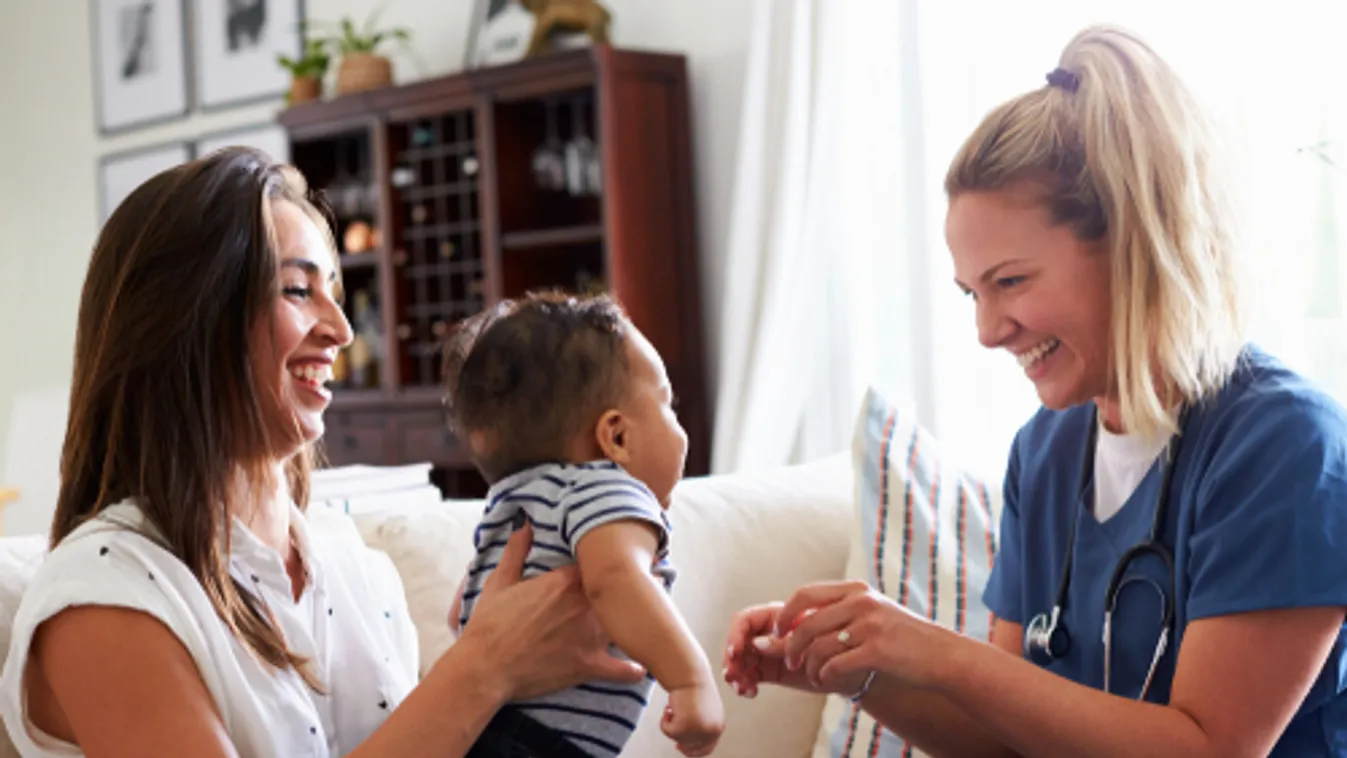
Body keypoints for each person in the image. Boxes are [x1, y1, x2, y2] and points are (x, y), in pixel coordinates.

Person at [723, 24, 1347, 757]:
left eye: (1011, 282)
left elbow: (1210, 749)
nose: (988, 331)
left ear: (1130, 245)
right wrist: (859, 673)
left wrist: (937, 652)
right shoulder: (1045, 452)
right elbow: (1003, 741)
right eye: (972, 294)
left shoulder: (1284, 445)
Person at [0, 147, 648, 758]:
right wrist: (485, 667)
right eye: (296, 290)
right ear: (183, 322)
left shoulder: (351, 565)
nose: (339, 329)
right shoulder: (103, 594)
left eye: (334, 293)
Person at [440, 292, 723, 758]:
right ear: (616, 436)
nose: (679, 425)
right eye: (668, 404)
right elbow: (614, 577)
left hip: (478, 725)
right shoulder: (607, 487)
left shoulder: (515, 502)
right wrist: (692, 681)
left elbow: (460, 615)